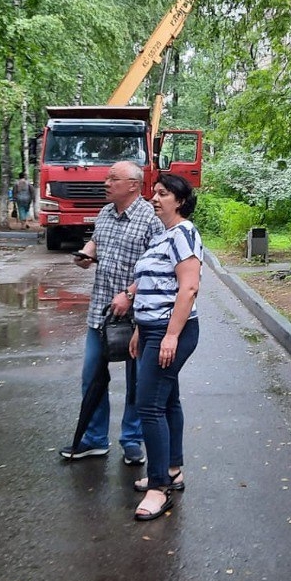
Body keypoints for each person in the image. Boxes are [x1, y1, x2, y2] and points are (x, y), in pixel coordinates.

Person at [60, 160, 163, 463]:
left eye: (112, 179)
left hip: (138, 316)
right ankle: (94, 439)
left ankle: (132, 439)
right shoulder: (105, 213)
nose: (105, 183)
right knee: (92, 375)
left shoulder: (150, 219)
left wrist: (131, 293)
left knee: (136, 380)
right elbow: (97, 241)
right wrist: (87, 253)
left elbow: (160, 267)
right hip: (101, 312)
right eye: (107, 178)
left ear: (133, 185)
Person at [126, 173, 203, 522]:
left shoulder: (184, 234)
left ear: (180, 201)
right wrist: (140, 330)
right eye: (154, 193)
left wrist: (170, 335)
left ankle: (159, 489)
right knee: (167, 400)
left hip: (171, 331)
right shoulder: (164, 236)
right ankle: (172, 469)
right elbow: (153, 286)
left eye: (163, 194)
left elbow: (188, 289)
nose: (155, 198)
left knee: (149, 405)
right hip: (152, 330)